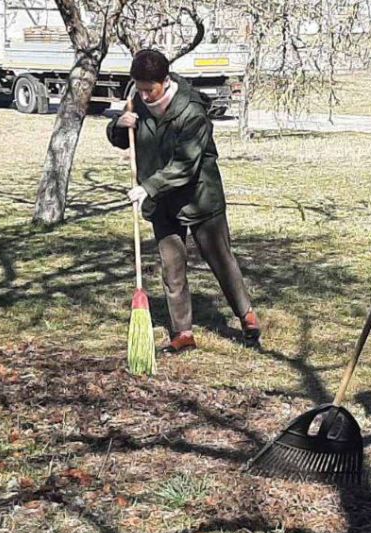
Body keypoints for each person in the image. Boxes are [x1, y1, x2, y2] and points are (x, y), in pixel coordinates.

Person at [106, 49, 260, 353]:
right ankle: (183, 332)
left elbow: (186, 165)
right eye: (139, 88)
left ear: (165, 81)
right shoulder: (138, 99)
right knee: (171, 267)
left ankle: (247, 316)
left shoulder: (191, 111)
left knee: (221, 260)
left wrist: (148, 187)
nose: (145, 95)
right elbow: (127, 138)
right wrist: (118, 126)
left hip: (199, 198)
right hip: (163, 203)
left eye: (150, 89)